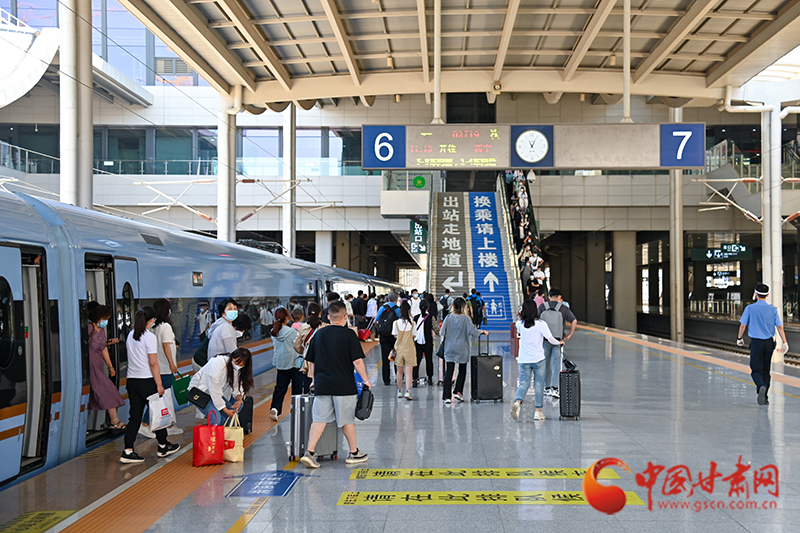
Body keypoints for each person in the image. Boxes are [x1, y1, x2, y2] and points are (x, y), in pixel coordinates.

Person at [300, 301, 371, 468]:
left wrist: (314, 380)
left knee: (319, 420)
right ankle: (354, 453)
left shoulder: (319, 334)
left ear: (328, 317)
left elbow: (311, 361)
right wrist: (366, 380)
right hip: (344, 386)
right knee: (347, 420)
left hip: (322, 385)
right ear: (345, 317)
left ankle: (309, 453)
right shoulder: (349, 335)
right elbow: (357, 361)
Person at [120, 306, 180, 463]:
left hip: (132, 380)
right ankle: (163, 446)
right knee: (158, 412)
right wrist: (159, 384)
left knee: (135, 416)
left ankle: (128, 450)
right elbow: (153, 363)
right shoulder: (149, 337)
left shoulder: (131, 335)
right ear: (152, 320)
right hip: (147, 380)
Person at [737, 283, 789, 405]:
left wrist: (739, 338)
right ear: (768, 295)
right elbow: (779, 327)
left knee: (756, 369)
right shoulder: (773, 309)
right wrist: (785, 342)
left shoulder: (750, 308)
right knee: (766, 370)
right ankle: (764, 398)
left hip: (756, 343)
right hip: (769, 343)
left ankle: (760, 386)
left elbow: (743, 325)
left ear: (756, 294)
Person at [511, 300, 563, 421]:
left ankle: (517, 402)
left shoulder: (520, 323)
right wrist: (559, 342)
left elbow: (519, 326)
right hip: (538, 359)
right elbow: (550, 339)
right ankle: (538, 412)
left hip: (523, 359)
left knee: (524, 383)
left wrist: (520, 316)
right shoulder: (541, 324)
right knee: (538, 385)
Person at [140, 298, 182, 438]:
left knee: (162, 397)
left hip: (155, 368)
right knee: (161, 398)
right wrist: (172, 363)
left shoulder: (153, 327)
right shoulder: (165, 326)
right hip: (164, 368)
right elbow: (165, 345)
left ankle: (167, 424)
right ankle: (145, 423)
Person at [439, 297, 487, 404]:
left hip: (449, 348)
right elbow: (473, 332)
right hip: (462, 348)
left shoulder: (448, 317)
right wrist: (482, 331)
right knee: (462, 370)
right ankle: (458, 392)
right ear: (464, 307)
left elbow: (442, 332)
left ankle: (447, 397)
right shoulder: (466, 319)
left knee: (449, 371)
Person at [189, 347, 253, 424]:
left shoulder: (236, 369)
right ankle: (212, 431)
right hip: (199, 391)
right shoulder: (217, 363)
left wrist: (239, 400)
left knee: (233, 414)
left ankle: (223, 431)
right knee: (216, 417)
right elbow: (214, 390)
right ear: (232, 357)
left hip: (213, 393)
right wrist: (225, 410)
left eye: (242, 365)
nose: (238, 366)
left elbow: (236, 387)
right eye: (237, 363)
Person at [86, 304, 125, 430]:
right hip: (90, 366)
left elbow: (103, 349)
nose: (106, 321)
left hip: (98, 365)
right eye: (105, 318)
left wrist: (110, 366)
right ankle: (115, 422)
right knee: (108, 391)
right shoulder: (89, 328)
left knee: (102, 392)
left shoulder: (101, 330)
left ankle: (111, 422)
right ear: (99, 318)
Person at [538, 288, 578, 399]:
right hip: (558, 341)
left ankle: (546, 388)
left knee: (545, 364)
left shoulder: (542, 307)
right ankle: (554, 388)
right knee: (556, 365)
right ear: (559, 297)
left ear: (549, 296)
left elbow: (536, 321)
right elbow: (574, 320)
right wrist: (569, 335)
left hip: (545, 340)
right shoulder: (563, 308)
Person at [269, 307, 301, 421]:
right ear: (287, 318)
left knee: (280, 388)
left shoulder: (273, 332)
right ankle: (295, 409)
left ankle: (275, 408)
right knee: (297, 388)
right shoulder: (293, 332)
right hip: (294, 363)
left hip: (281, 364)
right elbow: (298, 345)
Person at [295, 301, 326, 393]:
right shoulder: (325, 327)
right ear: (320, 313)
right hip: (323, 362)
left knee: (308, 388)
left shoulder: (302, 327)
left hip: (307, 364)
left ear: (307, 314)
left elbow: (296, 345)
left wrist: (305, 351)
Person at [375, 292, 402, 386]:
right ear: (396, 300)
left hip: (384, 336)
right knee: (396, 357)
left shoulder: (382, 308)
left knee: (385, 357)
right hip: (395, 336)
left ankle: (386, 379)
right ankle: (398, 377)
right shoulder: (398, 309)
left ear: (387, 299)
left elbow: (376, 320)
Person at [392, 301, 417, 400]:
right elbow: (414, 336)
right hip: (409, 349)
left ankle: (399, 391)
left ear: (400, 311)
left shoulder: (395, 323)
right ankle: (408, 391)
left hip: (399, 349)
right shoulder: (413, 323)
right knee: (409, 372)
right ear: (409, 311)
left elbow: (395, 335)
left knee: (399, 371)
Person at [413, 299, 436, 387]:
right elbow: (437, 330)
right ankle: (430, 378)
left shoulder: (415, 318)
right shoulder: (431, 317)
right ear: (428, 308)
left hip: (417, 342)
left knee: (416, 361)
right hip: (428, 342)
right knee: (429, 360)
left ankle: (415, 379)